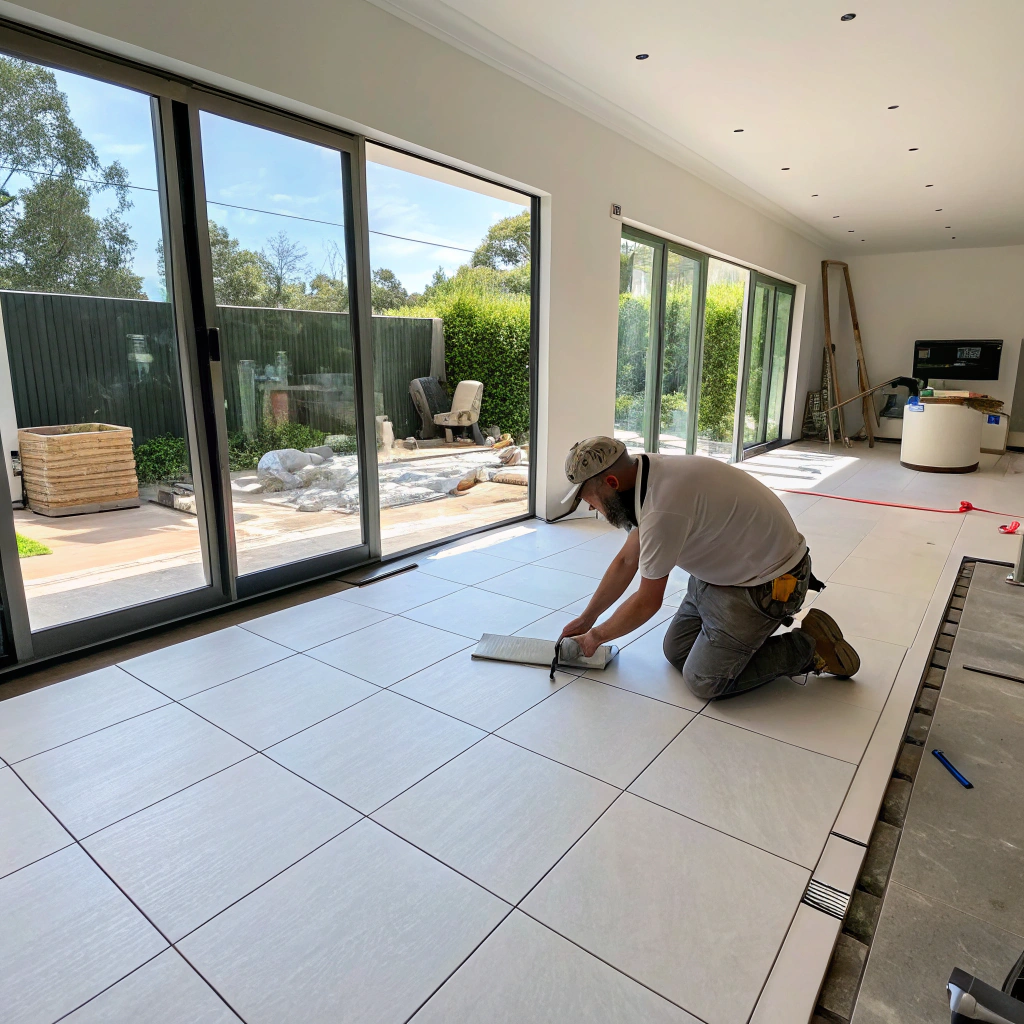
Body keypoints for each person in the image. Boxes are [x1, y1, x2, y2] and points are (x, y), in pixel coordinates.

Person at [557, 436, 860, 699]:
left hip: (768, 583)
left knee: (705, 681)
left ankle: (810, 648)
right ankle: (739, 642)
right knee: (676, 651)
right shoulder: (643, 472)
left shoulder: (662, 507)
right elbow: (626, 561)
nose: (588, 507)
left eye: (589, 499)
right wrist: (587, 618)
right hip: (725, 570)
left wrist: (594, 638)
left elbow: (647, 602)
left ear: (611, 483)